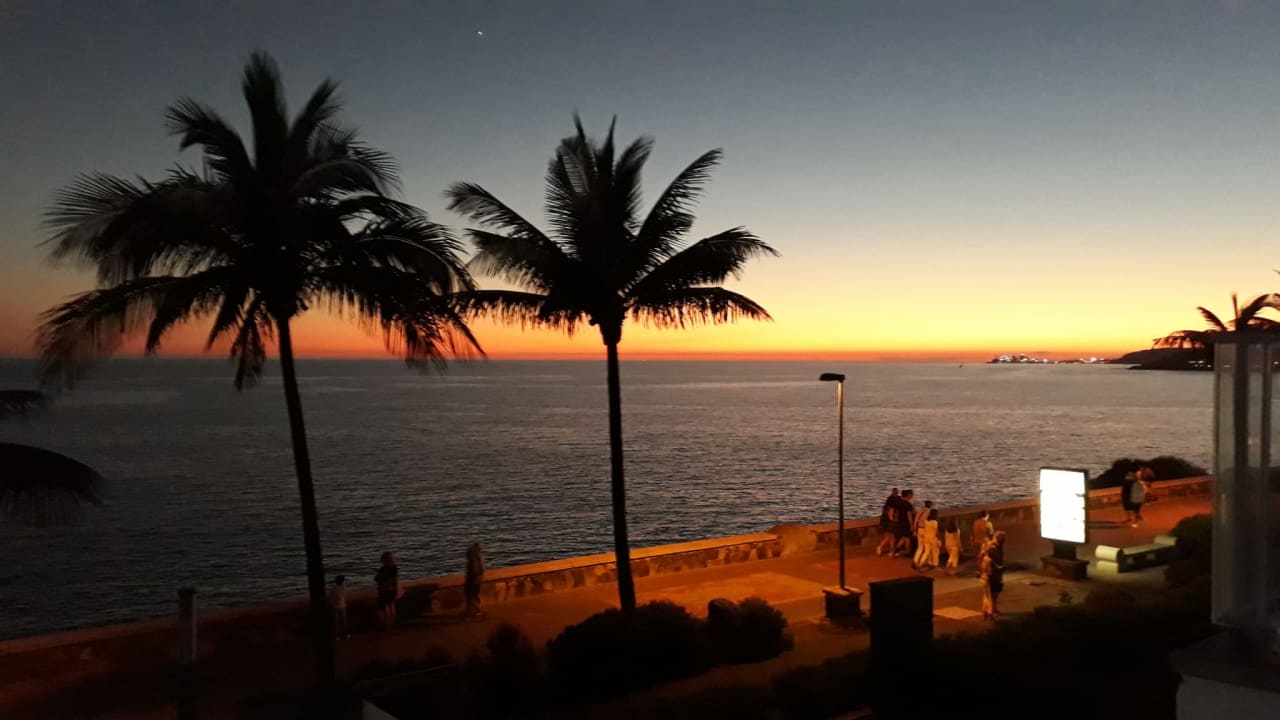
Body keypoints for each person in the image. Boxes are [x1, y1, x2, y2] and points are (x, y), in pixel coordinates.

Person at [375, 551, 400, 630]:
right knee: (392, 606)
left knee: (386, 608)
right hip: (392, 589)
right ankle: (392, 622)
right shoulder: (394, 568)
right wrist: (396, 589)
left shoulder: (382, 569)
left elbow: (376, 579)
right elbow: (395, 580)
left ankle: (388, 625)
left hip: (384, 590)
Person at [986, 531, 1007, 618]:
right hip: (993, 573)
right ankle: (991, 609)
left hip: (997, 572)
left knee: (996, 591)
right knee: (993, 592)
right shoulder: (992, 547)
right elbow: (988, 559)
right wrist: (997, 567)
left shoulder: (998, 546)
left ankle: (993, 608)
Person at [876, 488, 901, 556]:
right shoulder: (892, 507)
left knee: (890, 537)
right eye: (896, 493)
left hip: (886, 523)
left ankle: (891, 551)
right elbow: (891, 516)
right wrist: (894, 521)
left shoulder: (886, 507)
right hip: (889, 523)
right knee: (890, 537)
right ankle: (881, 547)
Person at [464, 542, 485, 620]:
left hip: (473, 582)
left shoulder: (473, 561)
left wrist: (472, 580)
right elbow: (481, 571)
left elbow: (474, 572)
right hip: (477, 582)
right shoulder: (480, 559)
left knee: (470, 598)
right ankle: (473, 612)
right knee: (475, 596)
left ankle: (477, 610)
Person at [912, 500, 935, 569]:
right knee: (927, 548)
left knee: (920, 547)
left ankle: (915, 560)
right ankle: (923, 563)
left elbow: (916, 520)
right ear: (930, 505)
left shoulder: (920, 510)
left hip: (919, 529)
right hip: (926, 530)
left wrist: (914, 530)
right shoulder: (929, 512)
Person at [893, 490, 916, 557]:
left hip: (901, 522)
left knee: (906, 537)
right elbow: (909, 516)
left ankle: (904, 551)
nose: (912, 496)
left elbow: (897, 513)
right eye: (911, 494)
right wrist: (911, 525)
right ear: (908, 495)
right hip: (906, 523)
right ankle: (899, 550)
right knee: (906, 537)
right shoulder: (908, 504)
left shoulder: (899, 503)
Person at [329, 575, 349, 640]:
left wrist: (332, 604)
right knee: (344, 622)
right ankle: (346, 634)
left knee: (336, 622)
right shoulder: (343, 588)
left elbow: (331, 599)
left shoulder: (333, 589)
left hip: (336, 607)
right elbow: (344, 597)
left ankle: (337, 636)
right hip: (342, 606)